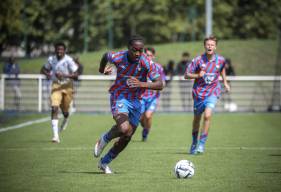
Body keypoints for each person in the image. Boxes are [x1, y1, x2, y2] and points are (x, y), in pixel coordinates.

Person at [93, 35, 163, 174]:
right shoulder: (119, 57)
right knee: (124, 128)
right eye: (134, 50)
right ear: (128, 48)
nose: (137, 53)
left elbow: (160, 84)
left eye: (140, 50)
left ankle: (104, 162)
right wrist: (102, 70)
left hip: (136, 101)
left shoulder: (146, 62)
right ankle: (104, 139)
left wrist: (141, 84)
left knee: (127, 136)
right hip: (119, 96)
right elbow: (106, 55)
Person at [184, 35, 230, 154]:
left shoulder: (220, 60)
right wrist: (197, 75)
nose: (210, 46)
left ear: (215, 47)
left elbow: (222, 68)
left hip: (213, 92)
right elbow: (186, 75)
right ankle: (194, 142)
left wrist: (225, 82)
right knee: (196, 119)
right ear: (205, 46)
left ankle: (202, 144)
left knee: (208, 115)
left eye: (212, 45)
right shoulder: (198, 60)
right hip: (198, 93)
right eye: (208, 44)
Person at [41, 42, 79, 143]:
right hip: (56, 85)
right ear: (55, 50)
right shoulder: (51, 59)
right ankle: (55, 136)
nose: (59, 51)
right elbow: (43, 69)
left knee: (65, 111)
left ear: (64, 51)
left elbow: (76, 75)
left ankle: (66, 118)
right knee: (54, 107)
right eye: (58, 49)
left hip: (67, 86)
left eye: (61, 49)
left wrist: (64, 75)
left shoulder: (69, 60)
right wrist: (48, 75)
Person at [140, 47, 166, 141]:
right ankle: (145, 126)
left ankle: (145, 133)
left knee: (148, 115)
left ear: (153, 56)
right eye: (146, 55)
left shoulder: (158, 67)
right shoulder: (140, 66)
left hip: (152, 97)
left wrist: (159, 86)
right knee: (141, 118)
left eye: (150, 55)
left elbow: (163, 82)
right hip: (141, 97)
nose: (148, 57)